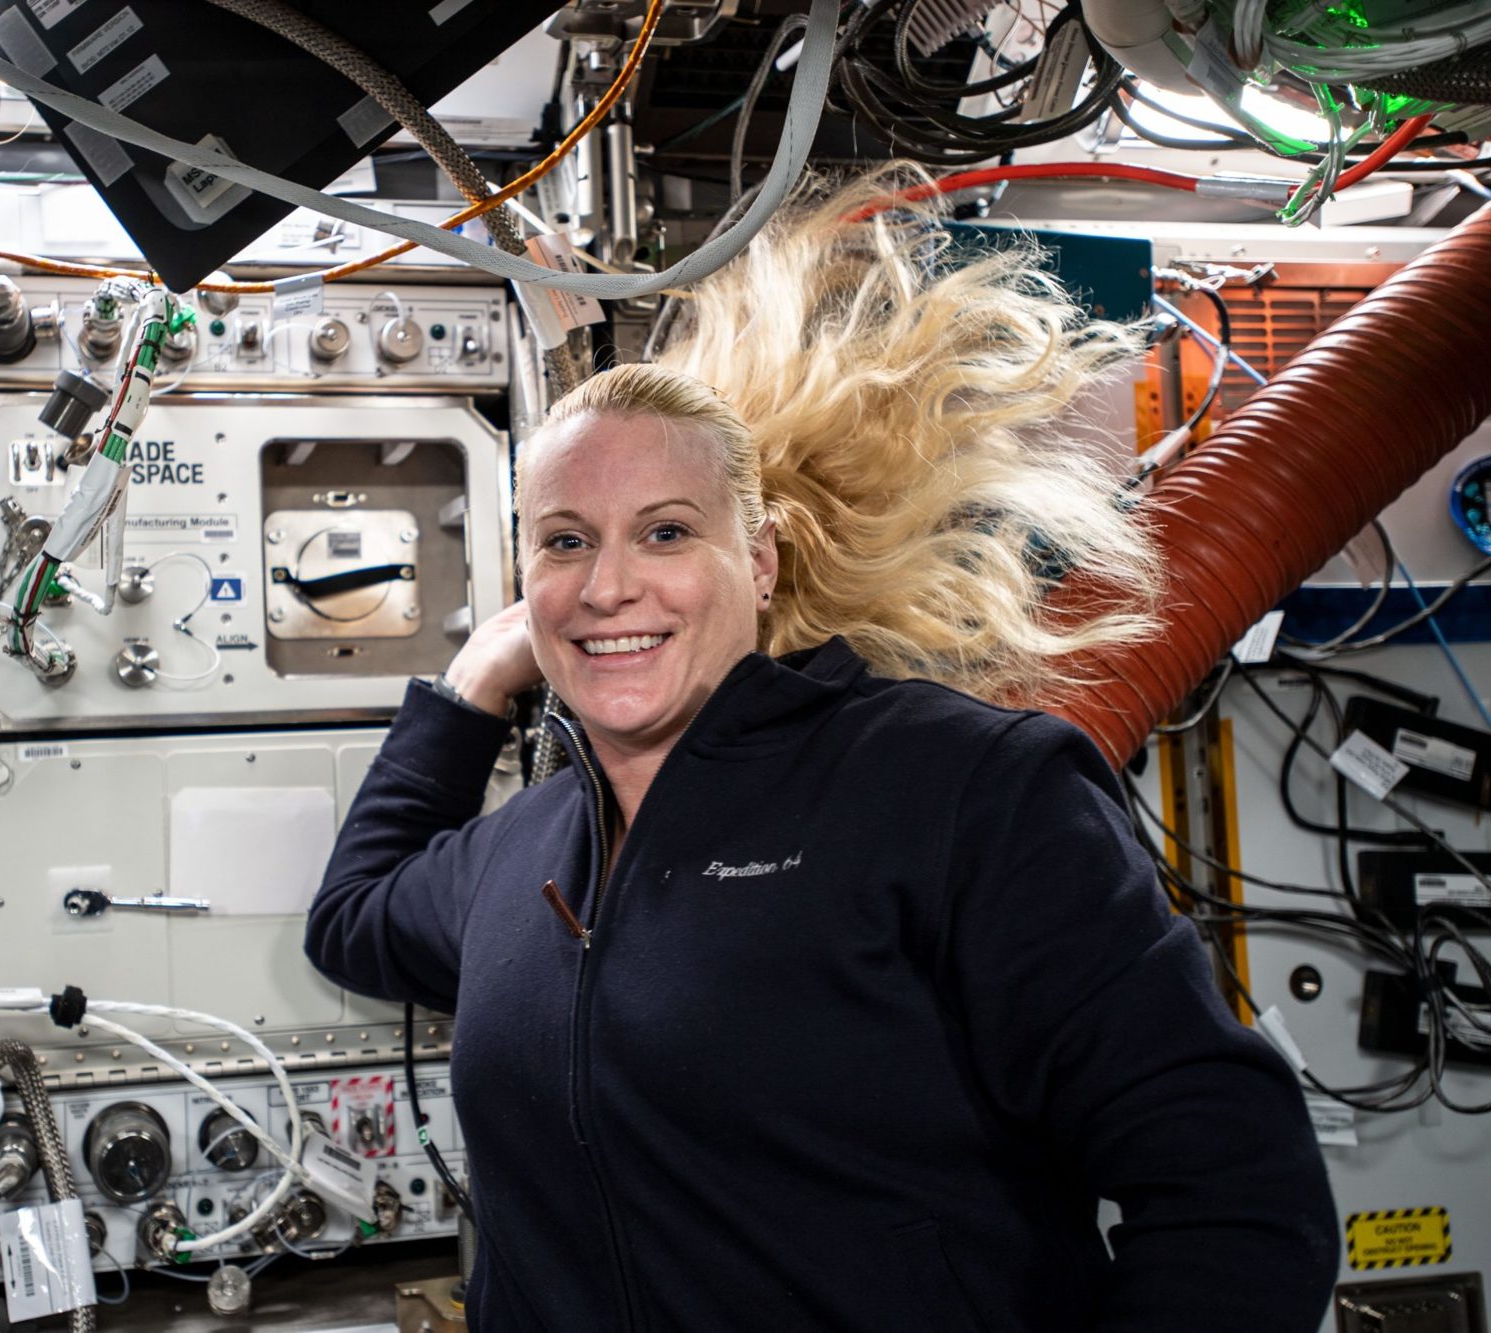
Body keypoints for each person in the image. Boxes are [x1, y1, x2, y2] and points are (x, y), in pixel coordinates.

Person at [306, 170, 1339, 1331]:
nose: (604, 585)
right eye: (562, 542)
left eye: (664, 532)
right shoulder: (523, 856)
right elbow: (350, 914)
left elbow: (1234, 1195)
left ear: (762, 558)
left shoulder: (959, 791)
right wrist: (475, 681)